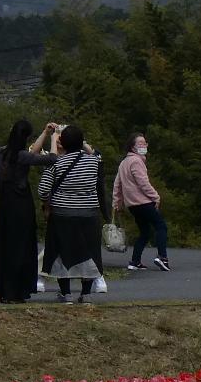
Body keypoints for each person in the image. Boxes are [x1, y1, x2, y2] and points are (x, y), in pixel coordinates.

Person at [0, 119, 60, 303]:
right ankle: (14, 292)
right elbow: (52, 159)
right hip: (21, 205)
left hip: (4, 204)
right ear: (25, 138)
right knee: (20, 247)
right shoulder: (21, 157)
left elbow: (31, 153)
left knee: (3, 246)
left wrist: (44, 133)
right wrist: (54, 138)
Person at [38, 123, 111, 303]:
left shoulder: (57, 163)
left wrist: (54, 138)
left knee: (63, 253)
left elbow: (42, 191)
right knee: (88, 253)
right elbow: (95, 153)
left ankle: (66, 293)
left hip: (62, 215)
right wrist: (83, 144)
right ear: (82, 142)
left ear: (62, 142)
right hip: (89, 214)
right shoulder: (94, 162)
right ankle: (85, 293)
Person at [113, 133, 169, 272]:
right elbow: (143, 183)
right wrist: (155, 196)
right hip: (143, 202)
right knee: (161, 226)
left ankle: (135, 261)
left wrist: (117, 202)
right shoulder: (136, 161)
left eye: (145, 143)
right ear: (133, 147)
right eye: (140, 143)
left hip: (132, 204)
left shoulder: (124, 162)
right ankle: (162, 257)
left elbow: (117, 184)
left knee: (145, 232)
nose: (144, 146)